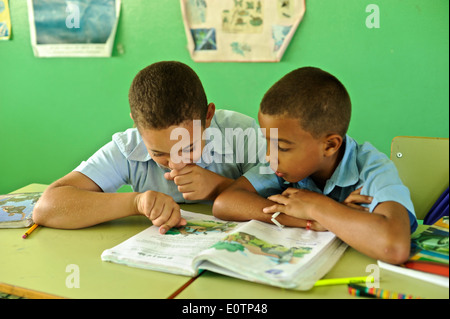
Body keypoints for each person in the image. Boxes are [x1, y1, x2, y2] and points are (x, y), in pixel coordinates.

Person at [213, 67, 417, 264]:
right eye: (268, 142)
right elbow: (225, 203)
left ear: (329, 145)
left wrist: (316, 205)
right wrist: (310, 221)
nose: (268, 156)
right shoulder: (282, 168)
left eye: (282, 147)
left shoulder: (372, 168)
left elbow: (394, 247)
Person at [33, 61, 265, 234]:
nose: (175, 164)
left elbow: (287, 200)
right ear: (136, 124)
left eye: (188, 148)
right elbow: (47, 207)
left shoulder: (241, 133)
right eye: (158, 153)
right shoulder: (129, 147)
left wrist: (221, 187)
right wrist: (136, 202)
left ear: (208, 116)